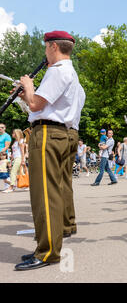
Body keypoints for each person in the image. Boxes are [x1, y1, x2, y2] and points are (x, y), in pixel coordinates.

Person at [15, 30, 85, 271]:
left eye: (46, 47)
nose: (45, 52)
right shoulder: (69, 72)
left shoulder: (58, 70)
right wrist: (29, 96)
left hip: (49, 134)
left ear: (53, 46)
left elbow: (36, 105)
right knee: (54, 190)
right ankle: (48, 245)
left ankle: (47, 252)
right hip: (60, 133)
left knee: (44, 193)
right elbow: (41, 105)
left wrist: (28, 86)